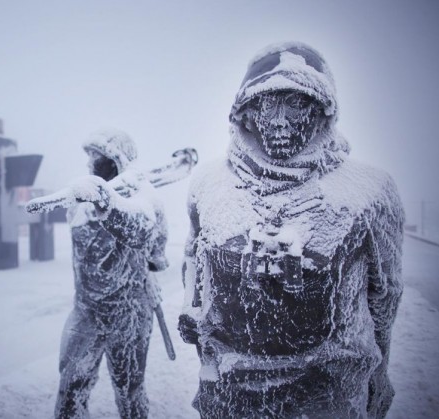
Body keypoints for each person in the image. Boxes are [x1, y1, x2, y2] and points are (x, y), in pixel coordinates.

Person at [178, 42, 404, 418]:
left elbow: (385, 298)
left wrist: (377, 374)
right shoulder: (208, 184)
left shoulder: (370, 191)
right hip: (229, 394)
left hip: (329, 395)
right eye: (268, 104)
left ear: (321, 110)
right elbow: (194, 263)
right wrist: (192, 310)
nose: (280, 121)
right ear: (247, 113)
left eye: (296, 104)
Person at [54, 129, 168, 418]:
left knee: (130, 392)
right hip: (86, 310)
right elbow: (87, 249)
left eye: (101, 158)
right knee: (70, 390)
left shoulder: (145, 198)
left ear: (119, 159)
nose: (95, 163)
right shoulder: (79, 201)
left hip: (129, 314)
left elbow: (153, 247)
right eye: (92, 158)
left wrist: (149, 270)